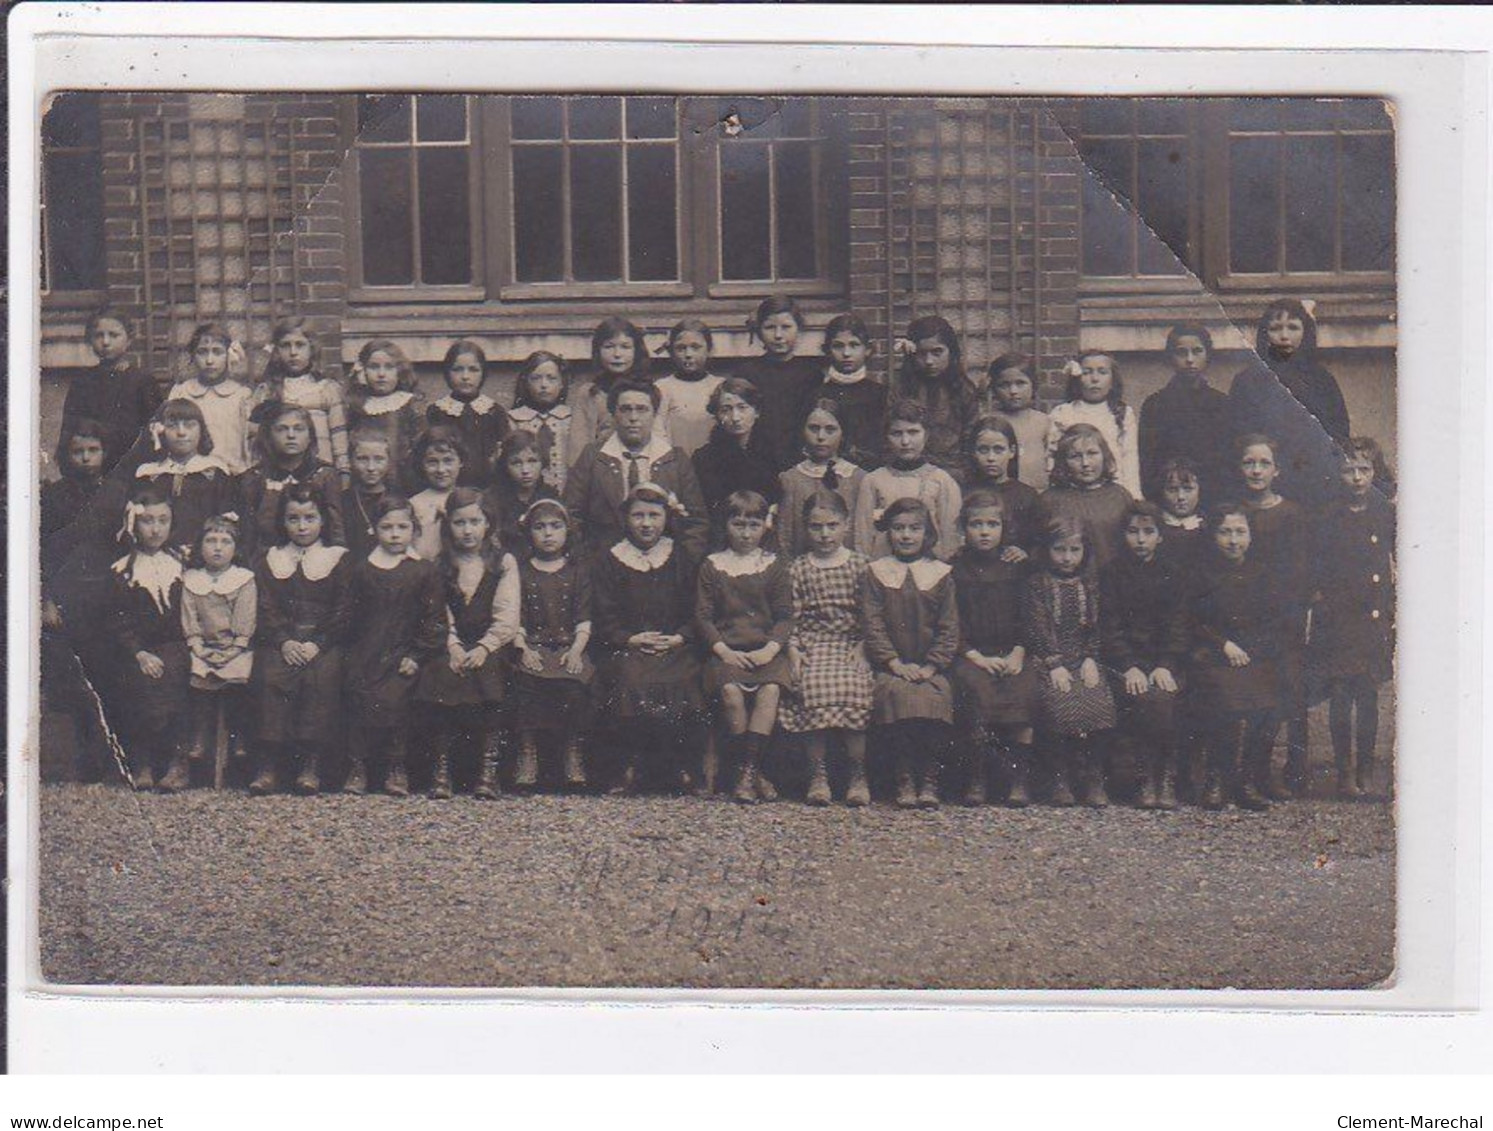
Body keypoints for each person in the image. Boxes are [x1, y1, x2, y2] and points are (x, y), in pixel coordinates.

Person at [591, 483, 706, 795]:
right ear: (626, 518)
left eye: (654, 516)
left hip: (674, 646)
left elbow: (697, 608)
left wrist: (680, 638)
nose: (646, 524)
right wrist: (629, 638)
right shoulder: (610, 559)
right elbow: (603, 613)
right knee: (631, 679)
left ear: (665, 518)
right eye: (638, 515)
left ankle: (681, 766)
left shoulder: (680, 556)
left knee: (684, 678)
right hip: (627, 646)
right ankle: (628, 766)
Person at [413, 489, 519, 800]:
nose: (468, 530)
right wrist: (454, 646)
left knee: (491, 676)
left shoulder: (503, 562)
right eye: (460, 523)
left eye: (475, 521)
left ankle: (488, 770)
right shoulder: (440, 563)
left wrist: (485, 647)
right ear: (449, 527)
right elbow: (437, 612)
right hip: (452, 643)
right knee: (441, 673)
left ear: (488, 524)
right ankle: (441, 769)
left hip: (491, 644)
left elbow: (507, 614)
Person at [342, 494, 447, 797]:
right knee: (358, 693)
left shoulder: (423, 570)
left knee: (398, 699)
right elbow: (351, 616)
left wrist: (417, 654)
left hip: (406, 651)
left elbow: (435, 619)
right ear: (375, 530)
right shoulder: (364, 570)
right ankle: (357, 766)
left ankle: (396, 767)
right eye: (387, 527)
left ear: (414, 530)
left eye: (402, 527)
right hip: (368, 649)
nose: (395, 534)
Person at [251, 484, 352, 796]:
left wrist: (316, 643)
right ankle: (268, 765)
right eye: (293, 518)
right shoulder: (271, 558)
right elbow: (265, 606)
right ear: (282, 521)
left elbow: (344, 609)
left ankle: (312, 764)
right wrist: (284, 641)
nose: (302, 526)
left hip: (323, 641)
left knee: (321, 677)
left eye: (310, 518)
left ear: (323, 520)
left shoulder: (337, 558)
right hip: (282, 640)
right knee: (270, 675)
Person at [695, 491, 794, 804]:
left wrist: (771, 649)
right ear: (726, 525)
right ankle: (749, 773)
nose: (746, 533)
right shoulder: (713, 565)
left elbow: (784, 616)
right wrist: (723, 650)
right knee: (731, 693)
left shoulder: (774, 565)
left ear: (766, 525)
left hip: (765, 652)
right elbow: (703, 616)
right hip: (728, 652)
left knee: (770, 692)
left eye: (754, 524)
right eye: (738, 524)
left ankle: (747, 772)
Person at [1311, 438, 1396, 800]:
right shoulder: (1328, 515)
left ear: (1375, 473)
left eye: (1364, 469)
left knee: (1368, 694)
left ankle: (1366, 770)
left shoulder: (1385, 512)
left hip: (1373, 616)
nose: (1357, 477)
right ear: (1338, 473)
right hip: (1338, 617)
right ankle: (1344, 772)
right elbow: (1317, 567)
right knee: (1341, 694)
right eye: (1349, 470)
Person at [779, 490, 874, 807]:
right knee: (811, 685)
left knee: (856, 685)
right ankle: (817, 775)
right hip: (813, 643)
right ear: (806, 528)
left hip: (852, 643)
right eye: (816, 527)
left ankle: (857, 774)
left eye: (832, 525)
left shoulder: (861, 565)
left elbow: (871, 614)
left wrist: (863, 647)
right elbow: (791, 617)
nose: (824, 534)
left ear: (846, 525)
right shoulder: (799, 568)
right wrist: (794, 650)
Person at [864, 497, 960, 809]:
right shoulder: (877, 572)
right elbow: (872, 622)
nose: (906, 536)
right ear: (888, 533)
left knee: (936, 696)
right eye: (898, 528)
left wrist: (933, 666)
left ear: (927, 533)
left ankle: (929, 777)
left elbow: (949, 626)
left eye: (914, 529)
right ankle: (904, 776)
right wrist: (893, 662)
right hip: (892, 666)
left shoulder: (941, 573)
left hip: (930, 667)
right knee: (895, 694)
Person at [1188, 503, 1285, 811]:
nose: (1233, 541)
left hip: (1251, 656)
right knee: (1225, 701)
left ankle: (1247, 780)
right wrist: (1223, 644)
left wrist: (1251, 649)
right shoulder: (1201, 574)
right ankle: (1217, 778)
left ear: (1251, 536)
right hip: (1213, 655)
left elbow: (1272, 621)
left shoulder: (1263, 575)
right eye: (1225, 532)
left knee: (1268, 703)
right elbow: (1191, 620)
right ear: (1213, 535)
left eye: (1240, 532)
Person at [950, 490, 1040, 807]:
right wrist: (974, 656)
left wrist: (1018, 652)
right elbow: (950, 622)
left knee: (1024, 687)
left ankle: (1018, 777)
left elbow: (1029, 614)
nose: (985, 531)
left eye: (992, 524)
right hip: (972, 655)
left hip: (1012, 651)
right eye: (976, 524)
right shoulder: (954, 569)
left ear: (1004, 528)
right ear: (964, 528)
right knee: (975, 690)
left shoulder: (1016, 567)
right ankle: (977, 777)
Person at [1022, 516, 1118, 807]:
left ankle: (1093, 775)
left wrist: (1090, 657)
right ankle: (1059, 776)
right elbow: (1036, 626)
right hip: (1049, 659)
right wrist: (1054, 662)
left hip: (1085, 657)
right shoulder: (1037, 584)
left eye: (1074, 551)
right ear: (1047, 550)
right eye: (1059, 550)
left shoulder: (1091, 584)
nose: (1066, 558)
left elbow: (1098, 625)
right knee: (1058, 701)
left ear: (1084, 552)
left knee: (1099, 702)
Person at [1100, 500, 1188, 810]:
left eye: (1148, 532)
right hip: (1124, 663)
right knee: (1144, 698)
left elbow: (1178, 625)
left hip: (1164, 662)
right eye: (1133, 532)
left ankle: (1165, 777)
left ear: (1160, 537)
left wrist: (1166, 664)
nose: (1140, 540)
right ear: (1123, 535)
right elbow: (1109, 627)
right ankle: (1145, 777)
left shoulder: (1172, 573)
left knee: (1163, 696)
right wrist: (1129, 666)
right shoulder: (1111, 573)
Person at [563, 378, 709, 564]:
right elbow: (571, 516)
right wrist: (589, 563)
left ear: (654, 414)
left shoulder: (675, 460)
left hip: (664, 571)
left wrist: (681, 565)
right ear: (613, 414)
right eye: (625, 409)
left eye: (642, 409)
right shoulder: (593, 457)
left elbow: (696, 523)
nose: (633, 417)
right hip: (603, 568)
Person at [1238, 433, 1311, 799]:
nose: (1256, 470)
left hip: (1282, 619)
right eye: (1249, 463)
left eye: (1263, 463)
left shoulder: (1291, 514)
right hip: (1242, 618)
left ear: (1276, 470)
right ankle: (1251, 772)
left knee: (1287, 692)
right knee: (1254, 693)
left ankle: (1290, 772)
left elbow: (1297, 572)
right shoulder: (1235, 513)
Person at [41, 418, 114, 781]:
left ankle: (112, 755)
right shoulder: (54, 498)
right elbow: (45, 553)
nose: (86, 458)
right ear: (66, 456)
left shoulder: (115, 493)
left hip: (106, 596)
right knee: (71, 675)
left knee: (108, 670)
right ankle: (80, 756)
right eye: (78, 452)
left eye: (93, 451)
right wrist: (48, 601)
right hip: (67, 598)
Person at [1229, 297, 1351, 509]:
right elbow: (1238, 435)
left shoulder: (1321, 380)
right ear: (1265, 334)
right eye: (1276, 328)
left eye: (1293, 328)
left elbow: (1339, 433)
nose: (1284, 336)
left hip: (1315, 480)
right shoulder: (1248, 381)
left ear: (1306, 332)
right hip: (1265, 482)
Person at [107, 486, 190, 792]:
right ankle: (141, 762)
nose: (156, 529)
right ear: (133, 524)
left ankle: (176, 763)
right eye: (147, 521)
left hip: (178, 644)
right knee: (139, 681)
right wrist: (138, 652)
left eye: (163, 520)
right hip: (140, 649)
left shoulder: (182, 563)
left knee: (176, 673)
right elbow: (118, 620)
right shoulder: (124, 570)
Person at [511, 499, 594, 792]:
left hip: (568, 647)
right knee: (525, 682)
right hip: (532, 646)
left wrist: (576, 650)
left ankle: (573, 753)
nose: (548, 534)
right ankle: (528, 753)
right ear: (529, 532)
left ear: (567, 531)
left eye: (556, 526)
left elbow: (584, 617)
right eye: (540, 527)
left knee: (575, 684)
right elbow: (515, 617)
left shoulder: (577, 571)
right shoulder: (520, 572)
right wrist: (522, 648)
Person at [180, 514, 256, 780]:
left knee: (239, 680)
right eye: (211, 540)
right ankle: (199, 736)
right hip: (202, 647)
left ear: (235, 548)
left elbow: (245, 619)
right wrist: (197, 646)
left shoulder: (243, 579)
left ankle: (238, 737)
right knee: (195, 676)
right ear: (200, 546)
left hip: (235, 648)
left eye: (225, 541)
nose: (217, 547)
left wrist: (235, 647)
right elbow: (190, 617)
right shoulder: (191, 579)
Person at [124, 397, 236, 561]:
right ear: (160, 431)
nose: (181, 432)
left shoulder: (216, 473)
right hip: (157, 556)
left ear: (201, 430)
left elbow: (225, 520)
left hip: (204, 558)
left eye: (189, 425)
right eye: (172, 425)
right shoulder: (149, 474)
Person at [853, 399, 963, 561]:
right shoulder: (873, 481)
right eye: (897, 433)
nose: (905, 441)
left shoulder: (941, 481)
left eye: (913, 432)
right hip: (885, 569)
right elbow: (863, 537)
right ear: (886, 437)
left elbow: (950, 538)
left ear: (926, 434)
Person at [238, 401, 346, 559]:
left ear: (310, 436)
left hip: (317, 561)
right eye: (282, 429)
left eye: (299, 429)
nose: (291, 435)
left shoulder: (324, 475)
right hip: (267, 563)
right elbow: (248, 534)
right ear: (268, 435)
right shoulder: (254, 478)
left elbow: (336, 530)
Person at [1138, 324, 1232, 504]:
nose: (1190, 359)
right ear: (1170, 358)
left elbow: (1227, 459)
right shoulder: (1155, 405)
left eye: (1197, 351)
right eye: (1181, 352)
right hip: (1170, 499)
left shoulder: (1222, 404)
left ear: (1208, 355)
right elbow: (1148, 462)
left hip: (1213, 497)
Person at [57, 308, 153, 478]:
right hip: (91, 469)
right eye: (99, 335)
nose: (106, 342)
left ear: (129, 340)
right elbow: (69, 430)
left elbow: (152, 428)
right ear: (90, 340)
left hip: (132, 469)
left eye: (114, 335)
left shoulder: (141, 380)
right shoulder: (82, 382)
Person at [734, 295, 825, 470]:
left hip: (799, 462)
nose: (778, 335)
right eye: (770, 327)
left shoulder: (811, 374)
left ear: (798, 328)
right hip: (756, 462)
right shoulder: (747, 372)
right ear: (759, 330)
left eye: (786, 327)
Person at [691, 377, 781, 550]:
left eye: (742, 408)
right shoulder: (704, 459)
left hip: (767, 540)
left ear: (756, 411)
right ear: (717, 415)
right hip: (722, 542)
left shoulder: (775, 454)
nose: (735, 417)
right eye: (726, 409)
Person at [260, 316, 350, 484]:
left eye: (300, 345)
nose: (293, 352)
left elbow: (339, 434)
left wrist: (343, 471)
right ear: (277, 351)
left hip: (319, 473)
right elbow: (259, 436)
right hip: (279, 473)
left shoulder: (326, 388)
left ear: (312, 349)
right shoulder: (268, 390)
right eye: (286, 346)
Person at [892, 315, 988, 473]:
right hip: (909, 469)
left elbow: (970, 438)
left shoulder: (963, 390)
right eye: (922, 354)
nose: (929, 361)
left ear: (951, 352)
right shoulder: (902, 389)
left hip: (953, 470)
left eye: (937, 352)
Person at [1036, 423, 1133, 572]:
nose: (1085, 463)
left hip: (1113, 584)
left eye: (1092, 453)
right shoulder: (1049, 500)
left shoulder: (1120, 496)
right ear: (1063, 461)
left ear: (1104, 456)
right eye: (1075, 456)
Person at [777, 398, 866, 558]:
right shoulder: (790, 479)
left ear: (842, 433)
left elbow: (863, 534)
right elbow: (785, 536)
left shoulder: (858, 478)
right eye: (814, 428)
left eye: (830, 430)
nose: (820, 436)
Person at [1047, 350, 1142, 499]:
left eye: (1102, 372)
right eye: (1087, 372)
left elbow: (1130, 457)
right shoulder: (1062, 413)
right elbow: (1052, 458)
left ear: (1112, 381)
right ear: (1077, 379)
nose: (1095, 379)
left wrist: (1133, 496)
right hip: (1072, 492)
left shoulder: (1123, 413)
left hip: (1113, 492)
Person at [798, 313, 887, 470]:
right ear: (827, 350)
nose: (846, 353)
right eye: (838, 346)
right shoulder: (815, 395)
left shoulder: (880, 395)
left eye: (854, 345)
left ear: (867, 349)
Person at [167, 322, 256, 475]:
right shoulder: (182, 393)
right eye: (202, 352)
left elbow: (251, 445)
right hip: (190, 475)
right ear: (193, 356)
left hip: (232, 475)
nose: (209, 360)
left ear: (228, 355)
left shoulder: (242, 396)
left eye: (217, 352)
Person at [426, 339, 511, 489]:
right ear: (447, 372)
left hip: (488, 488)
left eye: (473, 369)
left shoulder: (494, 411)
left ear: (483, 373)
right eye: (457, 369)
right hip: (448, 487)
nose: (465, 376)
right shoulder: (437, 411)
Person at [568, 316, 654, 466]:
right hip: (601, 471)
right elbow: (578, 447)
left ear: (637, 351)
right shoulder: (589, 394)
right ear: (597, 351)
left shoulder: (648, 391)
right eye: (609, 347)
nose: (617, 354)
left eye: (625, 347)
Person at [346, 339, 423, 492]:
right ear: (363, 371)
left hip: (403, 480)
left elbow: (419, 445)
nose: (381, 374)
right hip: (365, 478)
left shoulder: (409, 404)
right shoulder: (356, 406)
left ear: (399, 371)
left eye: (389, 367)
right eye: (374, 367)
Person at [963, 414, 1039, 561]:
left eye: (998, 450)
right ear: (973, 452)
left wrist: (1024, 551)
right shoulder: (964, 493)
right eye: (983, 450)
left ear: (1011, 451)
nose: (991, 458)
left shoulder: (1027, 495)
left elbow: (1036, 541)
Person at [654, 318, 726, 456]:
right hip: (676, 465)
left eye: (695, 347)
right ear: (671, 351)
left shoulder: (720, 386)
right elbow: (657, 433)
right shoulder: (662, 388)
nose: (688, 354)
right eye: (681, 348)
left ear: (709, 350)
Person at [484, 430, 559, 556]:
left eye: (532, 461)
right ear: (505, 466)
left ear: (543, 463)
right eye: (516, 463)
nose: (525, 470)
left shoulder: (550, 496)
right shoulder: (493, 498)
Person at [508, 350, 574, 494]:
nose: (544, 385)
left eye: (551, 378)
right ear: (525, 382)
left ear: (562, 383)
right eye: (536, 378)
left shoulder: (572, 419)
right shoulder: (513, 420)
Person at [989, 354, 1051, 492]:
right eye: (1004, 385)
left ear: (1033, 385)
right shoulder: (989, 421)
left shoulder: (1043, 422)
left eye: (1020, 383)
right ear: (994, 388)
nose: (1013, 391)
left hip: (1038, 492)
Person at [408, 426, 464, 562]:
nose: (441, 469)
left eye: (448, 461)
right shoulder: (414, 504)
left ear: (461, 461)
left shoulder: (470, 499)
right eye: (433, 462)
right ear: (422, 464)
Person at [345, 428, 395, 563]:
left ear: (389, 461)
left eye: (379, 459)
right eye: (362, 459)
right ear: (350, 460)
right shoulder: (342, 500)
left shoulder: (398, 499)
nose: (371, 467)